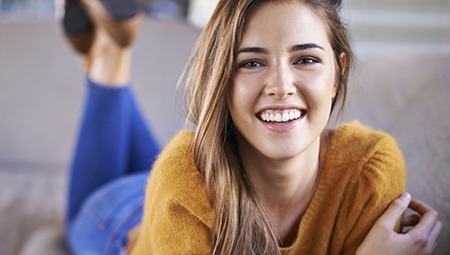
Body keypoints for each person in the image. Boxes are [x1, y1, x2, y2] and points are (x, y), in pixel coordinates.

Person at [61, 0, 442, 254]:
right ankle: (112, 55)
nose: (280, 86)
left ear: (338, 74)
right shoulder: (181, 177)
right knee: (78, 215)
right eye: (251, 63)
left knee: (173, 166)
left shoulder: (369, 169)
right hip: (123, 220)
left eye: (306, 59)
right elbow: (178, 177)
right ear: (222, 79)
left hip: (188, 183)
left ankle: (110, 49)